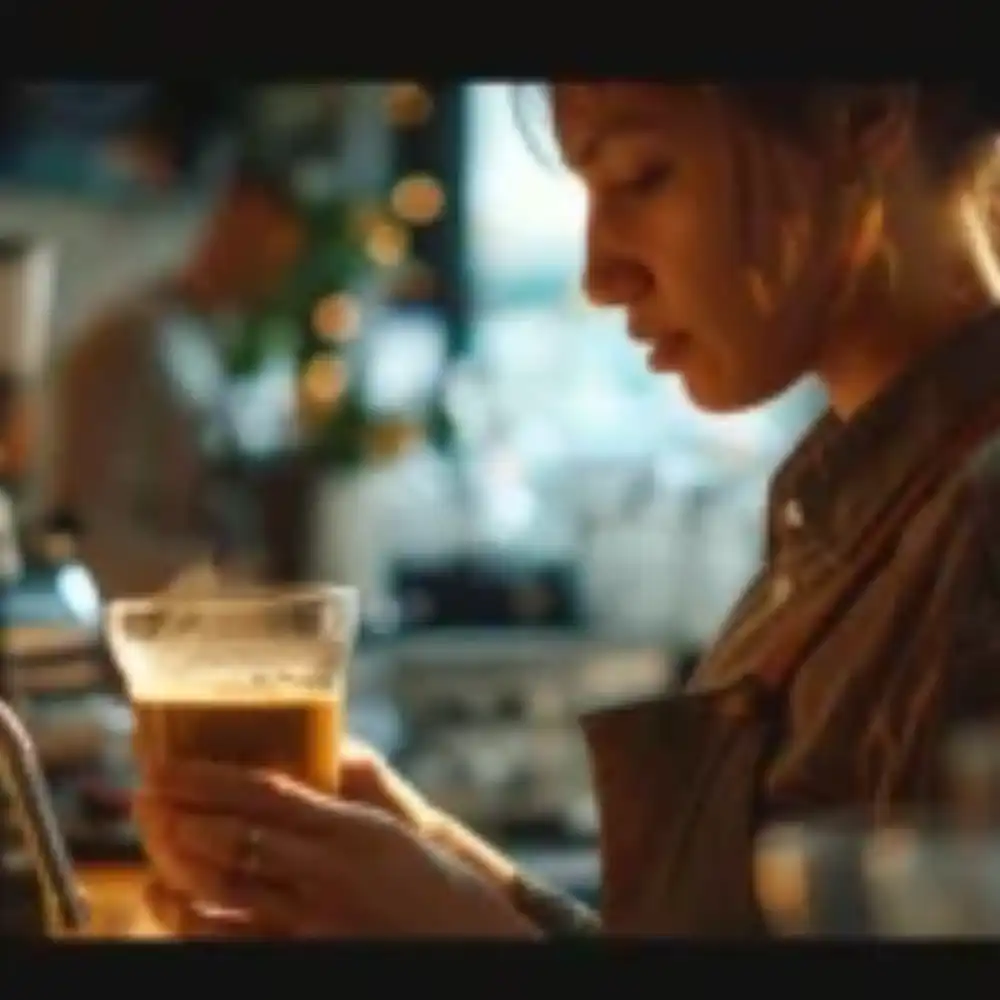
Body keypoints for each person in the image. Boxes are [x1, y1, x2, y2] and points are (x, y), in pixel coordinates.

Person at [134, 83, 1000, 937]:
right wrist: (446, 871)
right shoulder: (851, 504)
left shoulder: (978, 528)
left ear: (866, 109)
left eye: (641, 177)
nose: (598, 275)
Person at [48, 169, 304, 599]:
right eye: (258, 242)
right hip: (144, 615)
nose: (272, 268)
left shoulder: (210, 340)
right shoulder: (133, 341)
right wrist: (215, 589)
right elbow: (91, 525)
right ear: (221, 227)